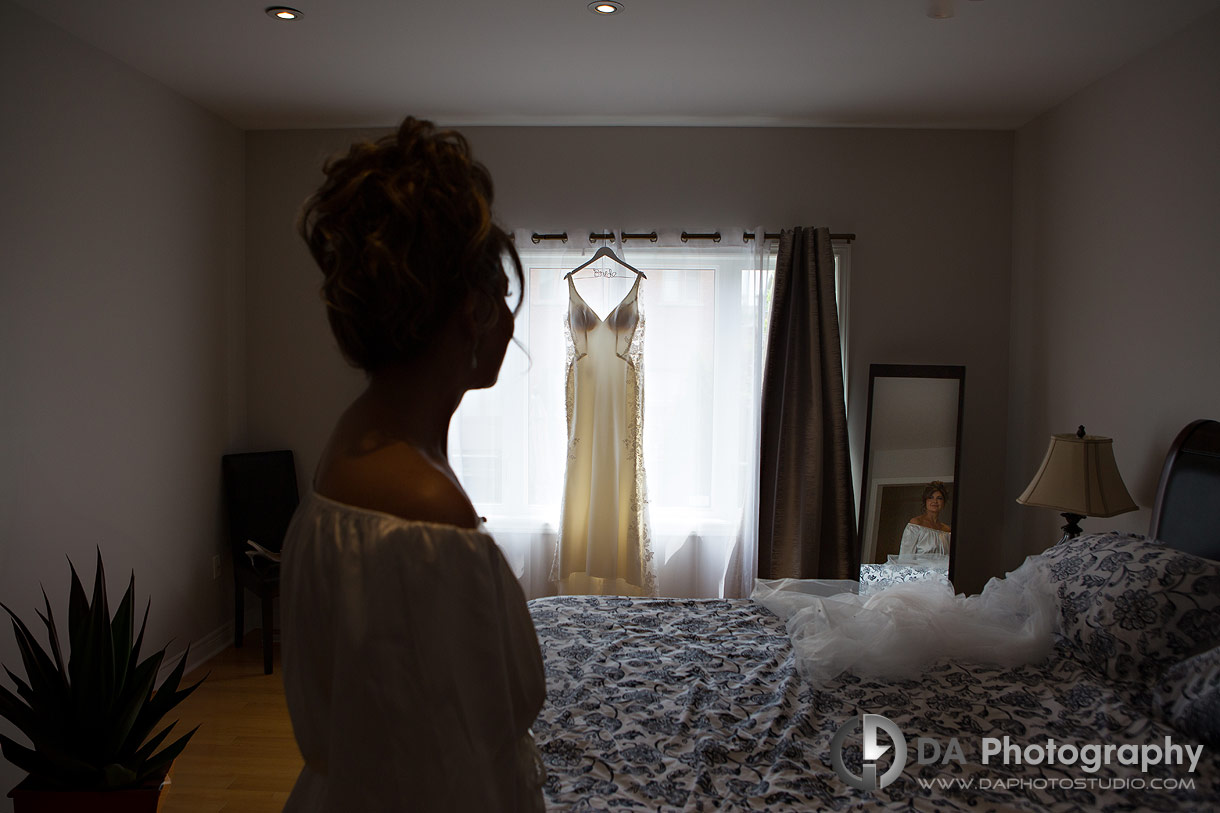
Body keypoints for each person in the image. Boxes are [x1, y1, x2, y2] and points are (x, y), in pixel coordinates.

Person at [279, 117, 546, 812]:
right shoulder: (425, 513)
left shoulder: (352, 441)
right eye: (505, 301)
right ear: (473, 311)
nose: (512, 326)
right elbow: (454, 770)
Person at [899, 481, 951, 556]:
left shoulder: (947, 530)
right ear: (925, 501)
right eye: (931, 497)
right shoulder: (916, 523)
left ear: (944, 503)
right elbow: (905, 555)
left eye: (939, 498)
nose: (935, 501)